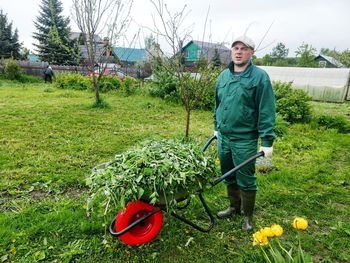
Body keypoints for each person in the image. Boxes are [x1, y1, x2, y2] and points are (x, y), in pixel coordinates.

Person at [213, 35, 276, 231]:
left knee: (246, 179)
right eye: (235, 48)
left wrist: (267, 140)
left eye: (243, 48)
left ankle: (248, 217)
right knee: (228, 174)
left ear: (251, 53)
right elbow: (217, 103)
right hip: (224, 137)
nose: (238, 52)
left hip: (244, 139)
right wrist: (216, 126)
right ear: (231, 52)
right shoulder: (223, 76)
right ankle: (233, 207)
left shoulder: (259, 77)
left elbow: (266, 110)